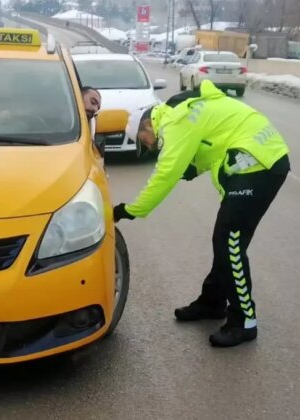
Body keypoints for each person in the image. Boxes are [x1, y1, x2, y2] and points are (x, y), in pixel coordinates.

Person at [113, 80, 290, 347]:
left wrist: (130, 210)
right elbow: (211, 142)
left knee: (229, 241)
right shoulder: (182, 113)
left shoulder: (176, 121)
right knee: (225, 240)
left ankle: (244, 321)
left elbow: (165, 174)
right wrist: (192, 168)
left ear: (147, 125)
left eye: (143, 141)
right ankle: (212, 302)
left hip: (260, 164)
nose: (148, 146)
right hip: (256, 160)